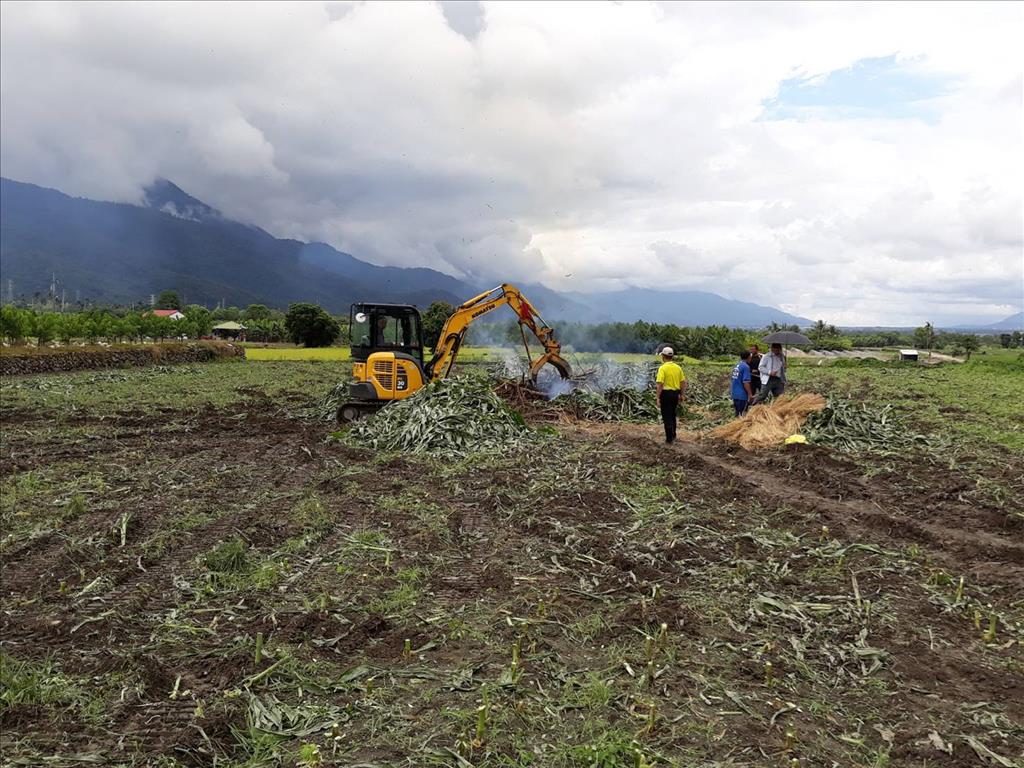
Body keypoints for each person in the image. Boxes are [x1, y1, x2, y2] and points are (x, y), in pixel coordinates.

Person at [655, 346, 686, 443]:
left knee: (667, 416)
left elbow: (660, 384)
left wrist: (658, 397)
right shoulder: (678, 368)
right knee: (673, 415)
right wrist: (682, 394)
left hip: (666, 394)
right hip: (675, 394)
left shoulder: (662, 368)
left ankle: (669, 439)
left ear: (663, 356)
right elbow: (683, 382)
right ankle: (673, 435)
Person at [730, 351, 753, 416]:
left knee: (737, 413)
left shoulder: (737, 365)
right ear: (749, 357)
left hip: (734, 393)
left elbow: (733, 379)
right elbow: (746, 382)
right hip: (742, 395)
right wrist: (750, 394)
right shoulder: (746, 367)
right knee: (741, 414)